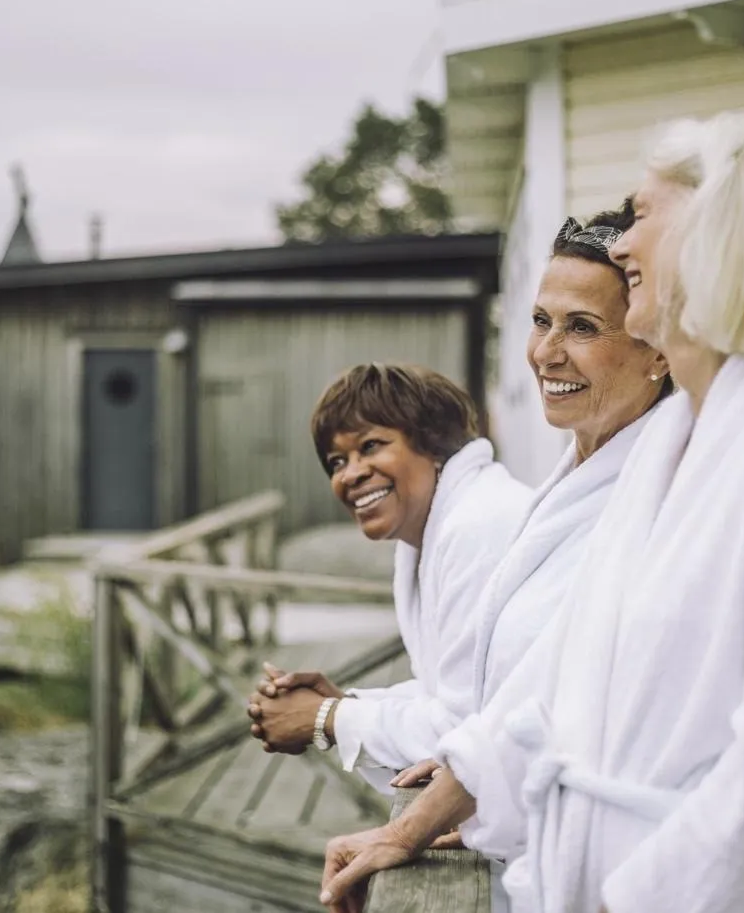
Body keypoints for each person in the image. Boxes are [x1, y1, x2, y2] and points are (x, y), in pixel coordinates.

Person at [317, 110, 744, 913]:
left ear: (724, 233)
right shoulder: (672, 435)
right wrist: (409, 827)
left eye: (644, 216)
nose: (623, 243)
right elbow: (556, 687)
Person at [250, 202, 671, 832]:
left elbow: (487, 719)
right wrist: (350, 704)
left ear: (661, 348)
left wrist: (327, 721)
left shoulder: (645, 498)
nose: (546, 353)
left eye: (581, 327)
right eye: (538, 321)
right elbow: (496, 702)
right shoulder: (571, 484)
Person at [243, 362, 530, 779]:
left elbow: (469, 731)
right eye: (337, 461)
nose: (351, 473)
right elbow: (448, 698)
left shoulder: (479, 526)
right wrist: (343, 705)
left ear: (433, 444)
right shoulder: (440, 526)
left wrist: (328, 717)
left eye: (372, 445)